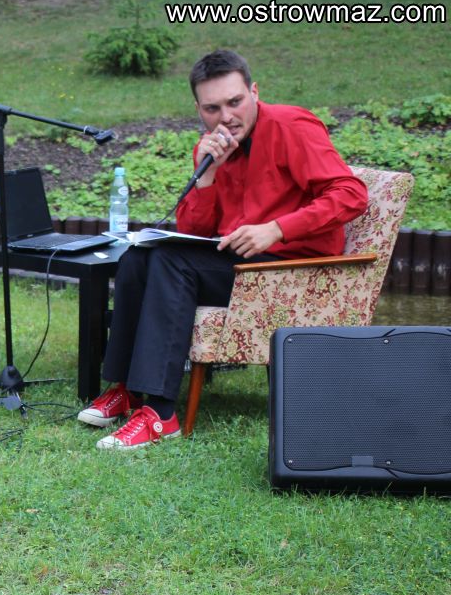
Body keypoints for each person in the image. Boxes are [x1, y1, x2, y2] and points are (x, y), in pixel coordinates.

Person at [78, 49, 368, 449]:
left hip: (293, 269)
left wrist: (277, 229)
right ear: (198, 108)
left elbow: (351, 195)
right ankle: (127, 389)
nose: (226, 117)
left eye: (235, 102)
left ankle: (161, 414)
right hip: (240, 265)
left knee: (172, 263)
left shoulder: (292, 126)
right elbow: (194, 230)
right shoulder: (210, 148)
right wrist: (208, 174)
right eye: (212, 108)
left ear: (254, 92)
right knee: (139, 258)